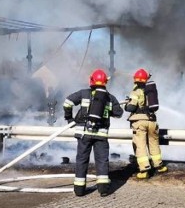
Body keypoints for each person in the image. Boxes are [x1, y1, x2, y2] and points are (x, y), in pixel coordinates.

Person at [63, 69, 123, 197]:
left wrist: (69, 118)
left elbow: (67, 103)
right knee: (102, 160)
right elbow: (119, 113)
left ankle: (79, 190)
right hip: (101, 135)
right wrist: (108, 111)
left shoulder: (83, 93)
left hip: (84, 133)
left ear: (92, 80)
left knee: (82, 160)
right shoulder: (110, 97)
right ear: (105, 82)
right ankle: (103, 189)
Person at [125, 68, 167, 179]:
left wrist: (126, 104)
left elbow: (131, 107)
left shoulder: (136, 91)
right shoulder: (150, 91)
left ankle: (144, 169)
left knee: (140, 145)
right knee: (154, 143)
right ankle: (159, 166)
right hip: (152, 121)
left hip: (140, 122)